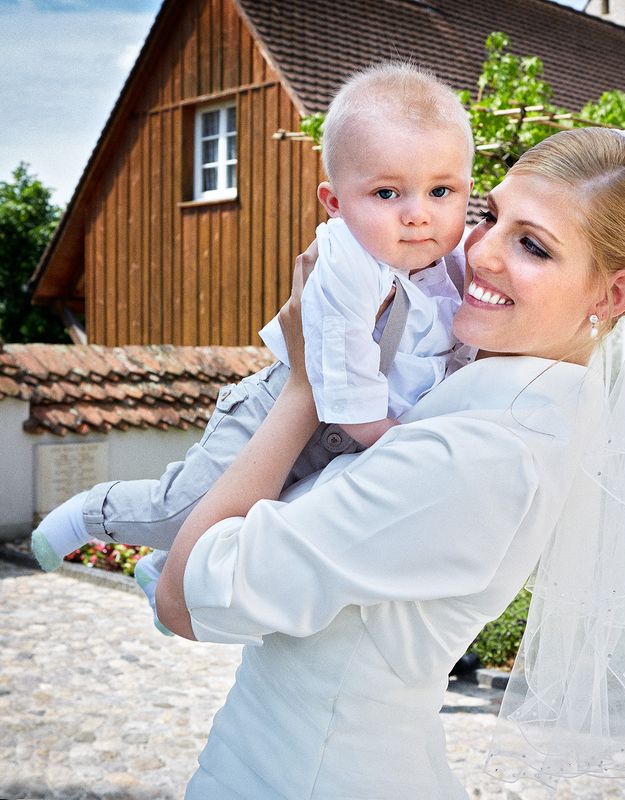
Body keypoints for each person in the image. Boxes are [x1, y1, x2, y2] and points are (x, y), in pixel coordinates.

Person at [152, 127, 625, 796]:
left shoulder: (482, 453)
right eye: (490, 216)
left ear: (613, 296)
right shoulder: (507, 399)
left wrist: (308, 381)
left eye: (533, 245)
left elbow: (184, 598)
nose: (481, 253)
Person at [29, 64, 473, 614]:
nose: (417, 214)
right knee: (182, 509)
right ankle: (88, 512)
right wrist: (408, 449)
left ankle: (167, 570)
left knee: (262, 521)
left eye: (440, 190)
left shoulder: (458, 264)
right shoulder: (347, 260)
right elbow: (346, 386)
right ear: (334, 203)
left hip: (355, 436)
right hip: (285, 410)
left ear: (467, 192)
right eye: (386, 192)